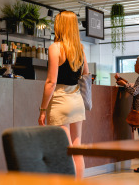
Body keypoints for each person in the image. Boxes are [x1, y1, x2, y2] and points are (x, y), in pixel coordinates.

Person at [38, 11, 89, 179]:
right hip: (76, 100)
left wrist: (42, 109)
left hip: (61, 101)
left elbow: (51, 82)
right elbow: (86, 73)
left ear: (60, 26)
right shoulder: (80, 48)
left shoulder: (55, 48)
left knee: (64, 150)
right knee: (77, 147)